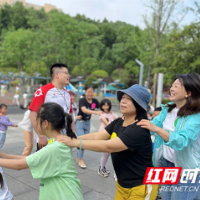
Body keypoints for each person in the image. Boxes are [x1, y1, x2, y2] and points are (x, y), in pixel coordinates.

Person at [57, 84, 158, 200]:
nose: (123, 101)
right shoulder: (118, 122)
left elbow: (108, 146)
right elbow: (97, 136)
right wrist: (73, 139)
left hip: (141, 186)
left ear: (139, 105)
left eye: (129, 99)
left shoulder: (138, 129)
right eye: (123, 97)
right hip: (122, 184)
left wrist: (75, 143)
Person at [0, 103, 84, 200]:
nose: (35, 124)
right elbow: (31, 158)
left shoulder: (55, 147)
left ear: (45, 123)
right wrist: (3, 155)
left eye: (37, 120)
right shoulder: (56, 142)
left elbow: (20, 165)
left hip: (65, 195)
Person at [138, 73, 200, 200]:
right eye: (172, 85)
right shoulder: (167, 110)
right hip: (165, 163)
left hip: (185, 170)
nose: (171, 88)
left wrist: (157, 130)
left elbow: (181, 141)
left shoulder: (195, 116)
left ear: (188, 93)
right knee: (166, 197)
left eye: (176, 86)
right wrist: (131, 125)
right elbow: (150, 126)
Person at [29, 63, 74, 151]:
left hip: (63, 140)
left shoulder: (68, 94)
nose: (69, 76)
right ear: (57, 74)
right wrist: (40, 135)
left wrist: (73, 134)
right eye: (66, 73)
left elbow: (70, 115)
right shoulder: (43, 91)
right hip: (47, 141)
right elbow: (33, 114)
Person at [76, 85, 102, 169]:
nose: (90, 94)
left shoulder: (94, 101)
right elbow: (84, 110)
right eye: (88, 92)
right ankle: (80, 159)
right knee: (82, 141)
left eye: (91, 92)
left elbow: (103, 107)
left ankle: (78, 156)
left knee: (84, 142)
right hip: (80, 122)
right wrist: (96, 113)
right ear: (85, 92)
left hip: (88, 123)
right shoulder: (82, 100)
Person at [98, 99, 118, 178]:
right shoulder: (102, 114)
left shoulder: (112, 113)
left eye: (107, 105)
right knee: (106, 153)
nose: (105, 107)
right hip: (104, 135)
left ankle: (103, 168)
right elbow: (107, 124)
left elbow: (118, 119)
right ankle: (101, 169)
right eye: (104, 105)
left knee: (109, 153)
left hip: (111, 135)